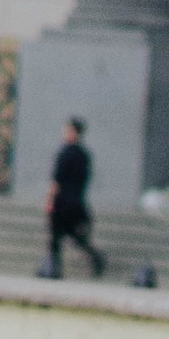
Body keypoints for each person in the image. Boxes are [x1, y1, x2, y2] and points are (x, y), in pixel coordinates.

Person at [45, 118, 104, 279]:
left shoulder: (64, 153)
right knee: (77, 237)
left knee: (55, 237)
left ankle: (52, 268)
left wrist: (49, 201)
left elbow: (56, 180)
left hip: (62, 202)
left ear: (73, 132)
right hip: (77, 202)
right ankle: (95, 257)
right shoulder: (84, 155)